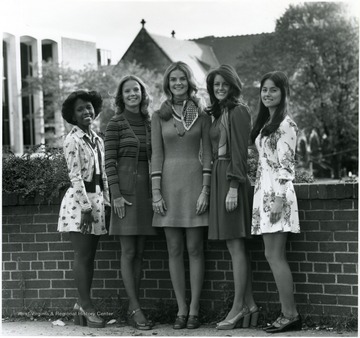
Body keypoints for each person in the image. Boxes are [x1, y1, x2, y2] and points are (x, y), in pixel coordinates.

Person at [151, 61, 212, 330]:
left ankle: (195, 310)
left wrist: (206, 190)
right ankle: (181, 309)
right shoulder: (159, 115)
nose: (178, 83)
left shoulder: (201, 112)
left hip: (195, 187)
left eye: (182, 79)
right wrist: (156, 193)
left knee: (195, 249)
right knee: (174, 250)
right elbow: (157, 156)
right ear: (168, 83)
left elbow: (208, 153)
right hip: (167, 190)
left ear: (189, 82)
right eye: (173, 79)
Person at [205, 65, 258, 330]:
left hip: (230, 178)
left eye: (224, 84)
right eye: (216, 85)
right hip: (218, 175)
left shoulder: (238, 111)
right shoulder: (219, 112)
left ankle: (237, 308)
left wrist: (234, 187)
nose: (220, 89)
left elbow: (240, 152)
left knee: (236, 246)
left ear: (233, 85)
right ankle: (248, 305)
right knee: (235, 247)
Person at [250, 71, 301, 333]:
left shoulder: (286, 124)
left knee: (275, 256)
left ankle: (290, 314)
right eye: (264, 90)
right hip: (265, 193)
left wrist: (279, 200)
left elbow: (286, 166)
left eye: (273, 90)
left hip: (278, 195)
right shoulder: (267, 123)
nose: (267, 94)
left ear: (283, 93)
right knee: (272, 255)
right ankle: (287, 313)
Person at [104, 75, 157, 330]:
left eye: (136, 89)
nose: (132, 94)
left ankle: (132, 307)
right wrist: (115, 195)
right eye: (127, 91)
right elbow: (109, 162)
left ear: (142, 93)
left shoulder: (150, 122)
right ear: (121, 96)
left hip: (146, 192)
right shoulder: (115, 123)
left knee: (140, 253)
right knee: (128, 251)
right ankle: (136, 309)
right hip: (124, 194)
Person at [58, 90, 110, 328]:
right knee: (83, 255)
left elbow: (104, 175)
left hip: (97, 200)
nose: (86, 112)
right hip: (80, 205)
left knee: (90, 257)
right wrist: (86, 208)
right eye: (80, 109)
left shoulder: (97, 139)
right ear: (73, 115)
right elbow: (75, 176)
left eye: (88, 107)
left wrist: (106, 201)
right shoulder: (72, 140)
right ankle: (86, 306)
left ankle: (82, 305)